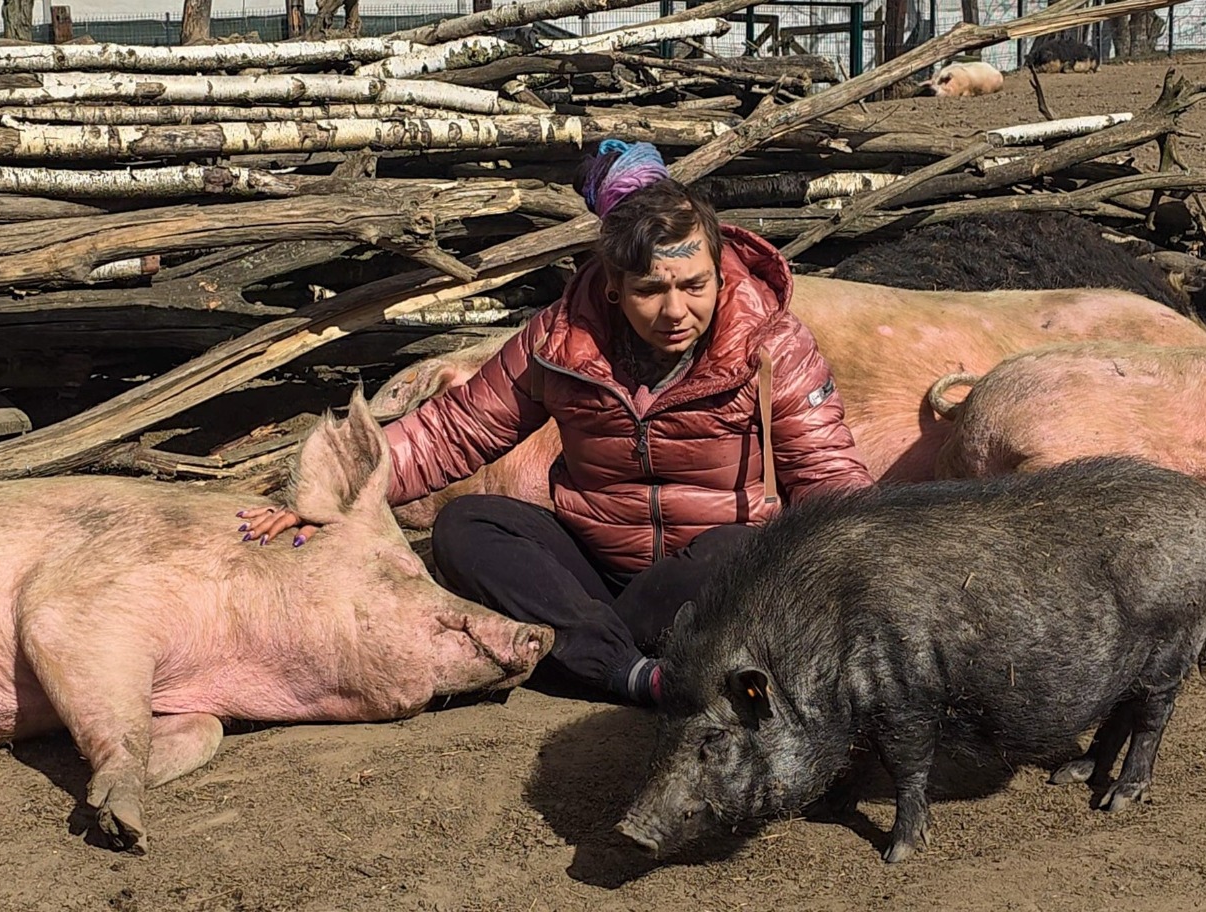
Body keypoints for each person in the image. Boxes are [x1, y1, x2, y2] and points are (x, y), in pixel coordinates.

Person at [240, 139, 873, 706]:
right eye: (651, 290)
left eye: (695, 284)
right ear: (613, 289)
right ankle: (640, 668)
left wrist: (872, 580)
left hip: (707, 567)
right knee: (467, 525)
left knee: (747, 554)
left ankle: (585, 650)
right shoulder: (560, 341)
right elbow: (455, 430)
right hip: (594, 561)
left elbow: (828, 476)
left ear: (716, 267)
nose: (676, 310)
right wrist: (333, 489)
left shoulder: (770, 345)